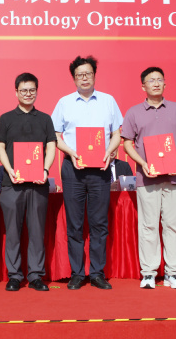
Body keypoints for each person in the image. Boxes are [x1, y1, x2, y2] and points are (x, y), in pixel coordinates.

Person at [51, 55, 121, 290]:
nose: (84, 78)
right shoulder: (64, 103)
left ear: (94, 75)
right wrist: (71, 152)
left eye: (88, 73)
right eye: (79, 75)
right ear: (73, 78)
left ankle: (98, 273)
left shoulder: (108, 101)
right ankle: (77, 273)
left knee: (99, 223)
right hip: (73, 169)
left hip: (100, 169)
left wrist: (109, 152)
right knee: (75, 223)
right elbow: (55, 136)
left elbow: (116, 134)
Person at [121, 66, 176, 290]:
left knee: (174, 225)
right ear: (143, 86)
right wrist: (142, 163)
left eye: (160, 79)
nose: (156, 83)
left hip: (173, 176)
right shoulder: (134, 112)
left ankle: (173, 273)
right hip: (147, 177)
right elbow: (127, 143)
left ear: (165, 83)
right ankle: (149, 273)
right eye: (151, 80)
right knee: (148, 226)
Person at [0, 73, 56, 292]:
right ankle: (14, 275)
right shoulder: (5, 118)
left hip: (38, 183)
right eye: (23, 90)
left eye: (32, 90)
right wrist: (9, 170)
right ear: (16, 92)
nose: (28, 94)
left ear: (37, 92)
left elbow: (51, 146)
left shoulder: (45, 119)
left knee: (37, 231)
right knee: (12, 231)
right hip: (12, 183)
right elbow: (0, 147)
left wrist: (45, 169)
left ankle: (35, 275)